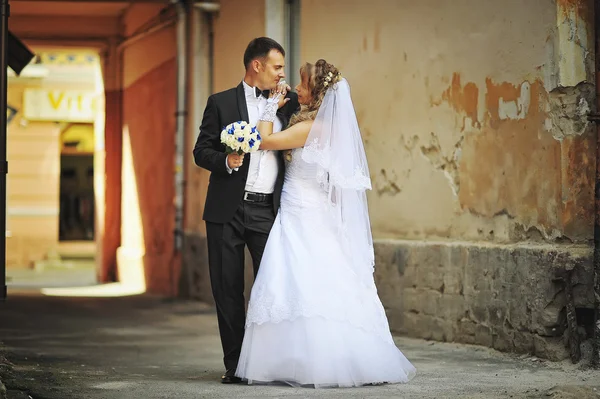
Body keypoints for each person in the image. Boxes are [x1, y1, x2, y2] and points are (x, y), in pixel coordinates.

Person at [235, 59, 417, 387]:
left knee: (297, 281)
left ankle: (307, 362)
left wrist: (268, 109)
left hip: (299, 211)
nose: (296, 89)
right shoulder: (324, 126)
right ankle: (305, 358)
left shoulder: (311, 128)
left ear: (317, 92)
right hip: (311, 210)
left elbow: (262, 141)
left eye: (303, 85)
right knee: (308, 280)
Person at [192, 37, 299, 384]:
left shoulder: (289, 104)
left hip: (268, 210)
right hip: (226, 210)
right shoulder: (220, 102)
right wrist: (224, 160)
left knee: (273, 287)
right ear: (257, 66)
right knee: (227, 288)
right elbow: (201, 150)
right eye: (277, 67)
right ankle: (236, 365)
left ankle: (271, 361)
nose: (282, 73)